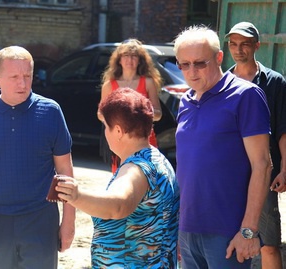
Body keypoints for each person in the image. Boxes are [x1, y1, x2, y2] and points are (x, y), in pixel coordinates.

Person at [0, 45, 75, 269]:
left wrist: (69, 221)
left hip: (40, 219)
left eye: (27, 76)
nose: (22, 83)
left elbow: (65, 172)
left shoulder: (51, 112)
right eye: (14, 77)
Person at [174, 25, 271, 268]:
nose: (192, 72)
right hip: (187, 232)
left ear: (219, 58)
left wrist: (248, 231)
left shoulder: (246, 96)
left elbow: (262, 165)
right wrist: (176, 229)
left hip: (227, 233)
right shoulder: (185, 101)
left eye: (199, 63)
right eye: (184, 64)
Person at [57, 88, 179, 267]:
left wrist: (77, 196)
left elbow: (119, 205)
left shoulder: (136, 169)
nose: (105, 133)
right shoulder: (157, 160)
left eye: (106, 127)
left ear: (119, 131)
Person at [226, 21, 286, 269]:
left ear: (256, 46)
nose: (239, 50)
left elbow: (283, 130)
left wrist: (284, 169)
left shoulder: (274, 82)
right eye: (233, 44)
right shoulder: (222, 83)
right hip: (229, 174)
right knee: (227, 239)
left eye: (245, 44)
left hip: (263, 172)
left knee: (269, 243)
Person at [98, 38, 163, 172]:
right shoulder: (109, 85)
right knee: (121, 179)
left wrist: (141, 115)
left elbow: (158, 114)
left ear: (140, 60)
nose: (130, 60)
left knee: (147, 179)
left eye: (134, 56)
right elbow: (100, 114)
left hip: (145, 139)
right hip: (120, 140)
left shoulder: (148, 82)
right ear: (119, 60)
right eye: (126, 56)